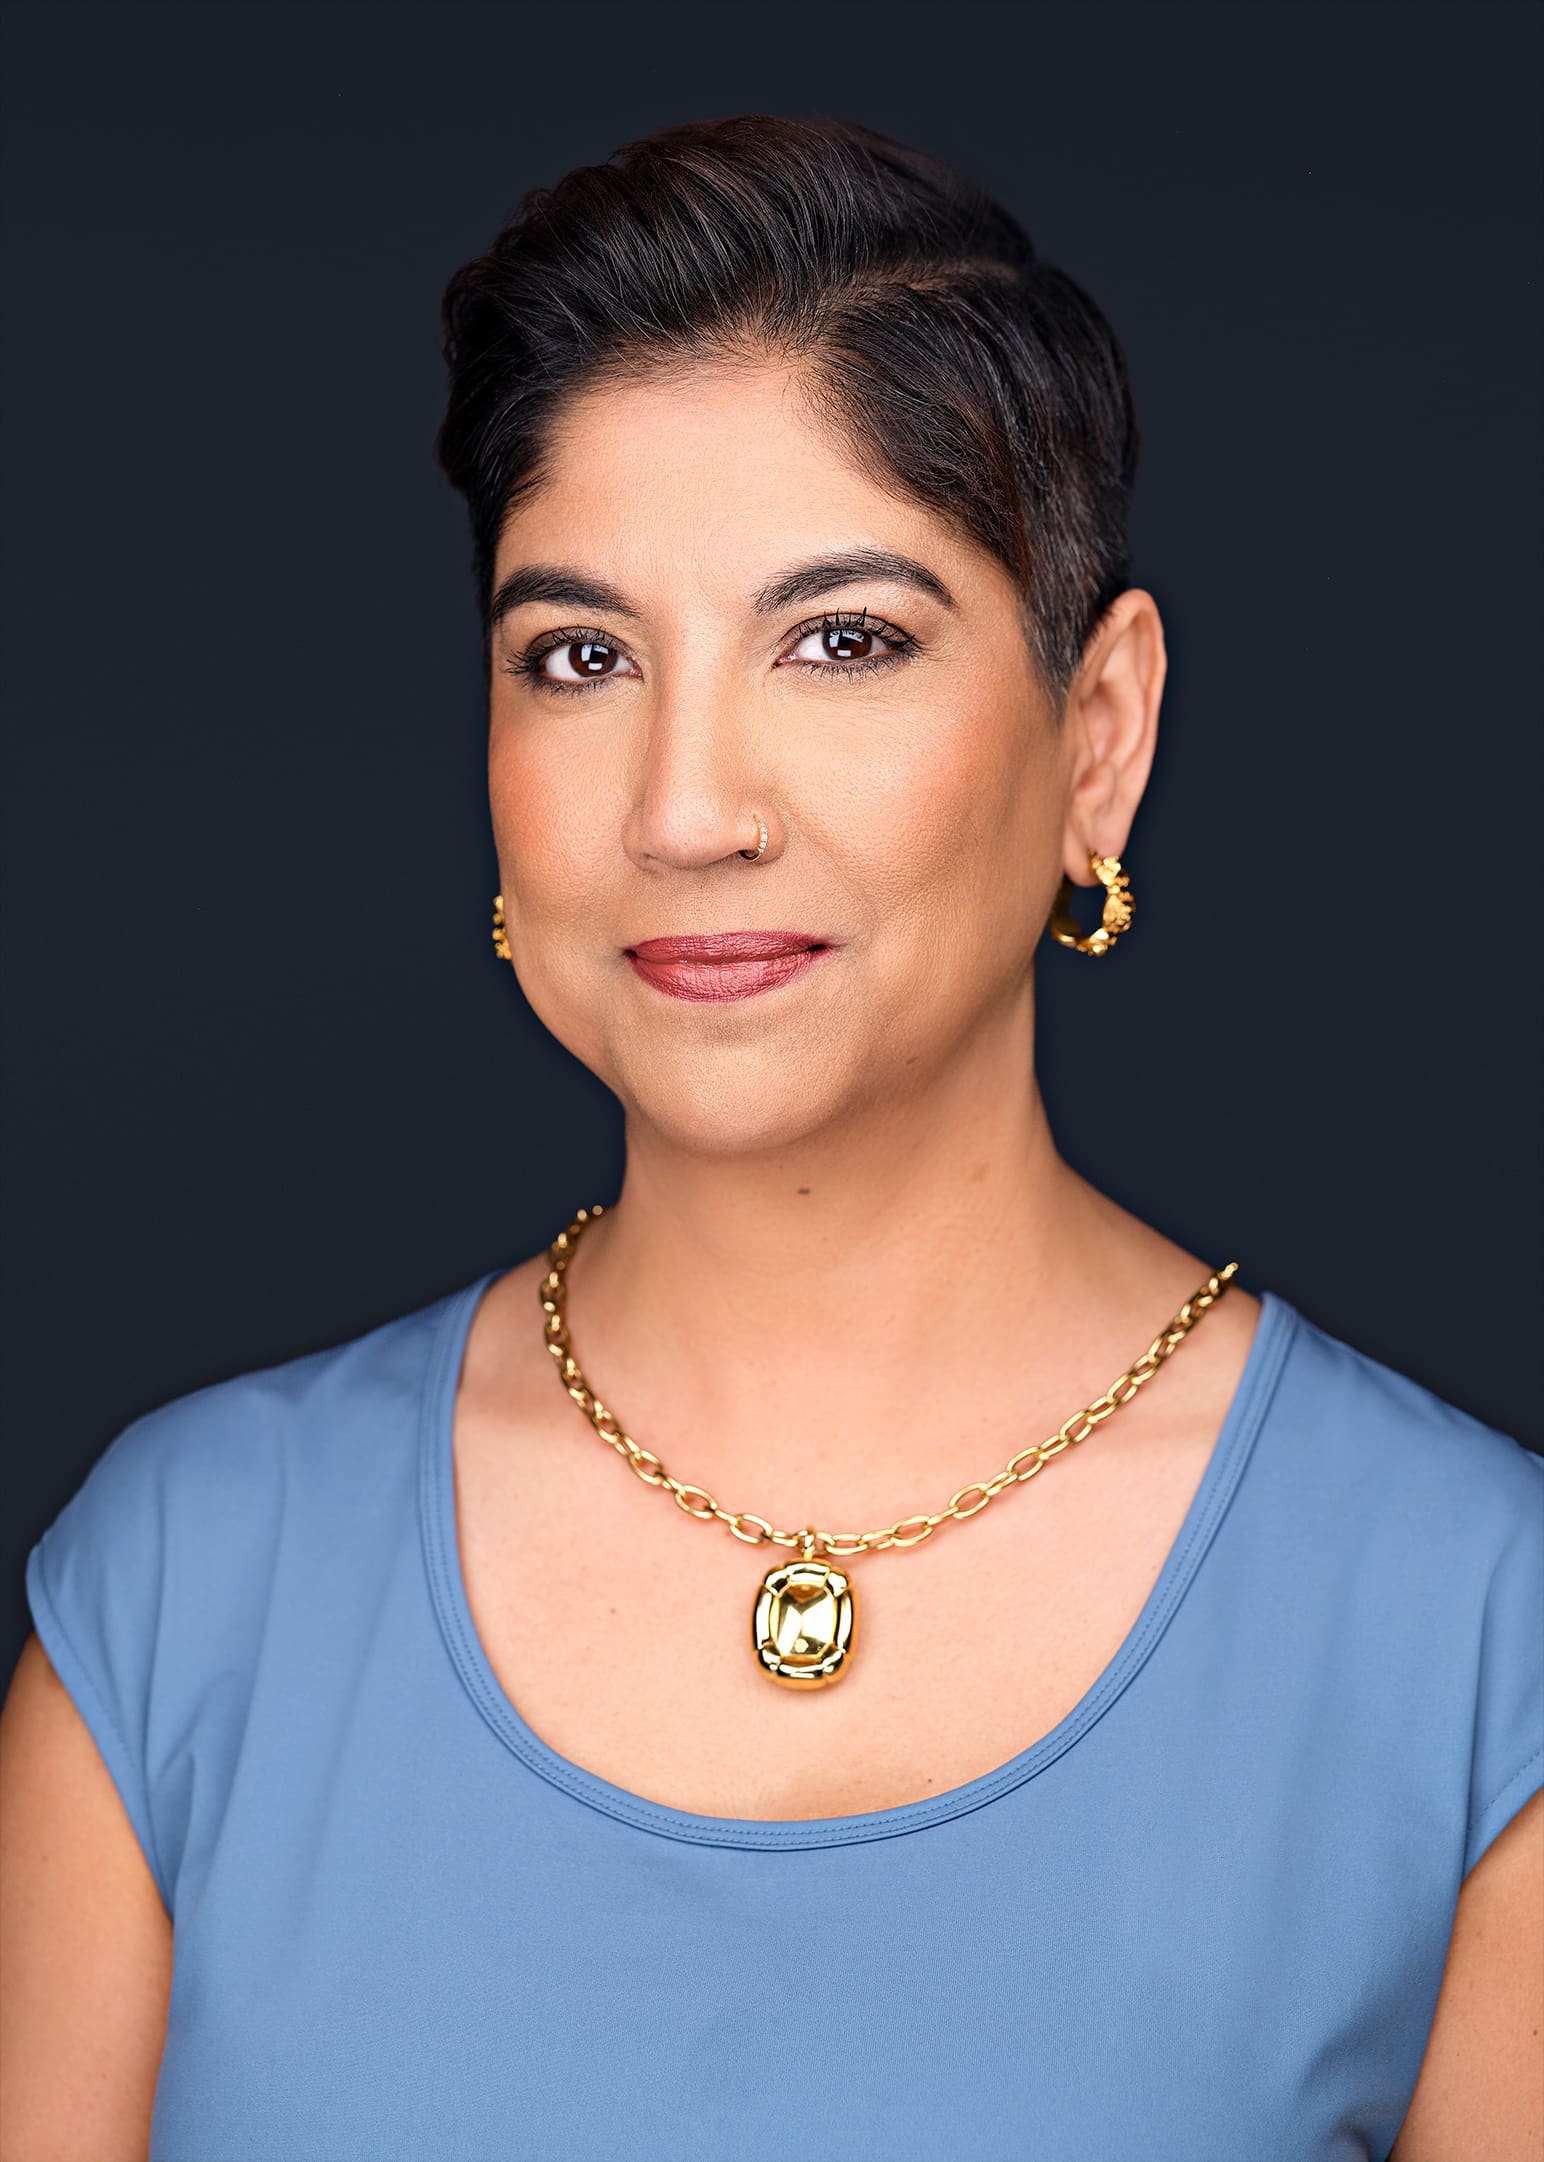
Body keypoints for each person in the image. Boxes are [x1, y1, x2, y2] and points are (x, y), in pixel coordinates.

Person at [2, 113, 1539, 2162]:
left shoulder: (1466, 1639)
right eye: (579, 658)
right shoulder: (186, 1593)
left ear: (1101, 737)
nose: (684, 804)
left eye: (841, 640)